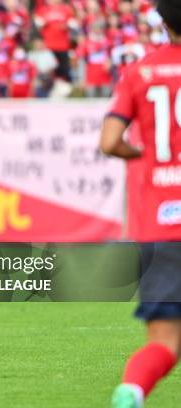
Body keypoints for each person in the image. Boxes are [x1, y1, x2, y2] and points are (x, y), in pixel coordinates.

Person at [99, 0, 181, 406]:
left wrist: (144, 155)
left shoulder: (140, 72)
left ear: (163, 22)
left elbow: (110, 142)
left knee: (165, 343)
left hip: (162, 228)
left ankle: (132, 391)